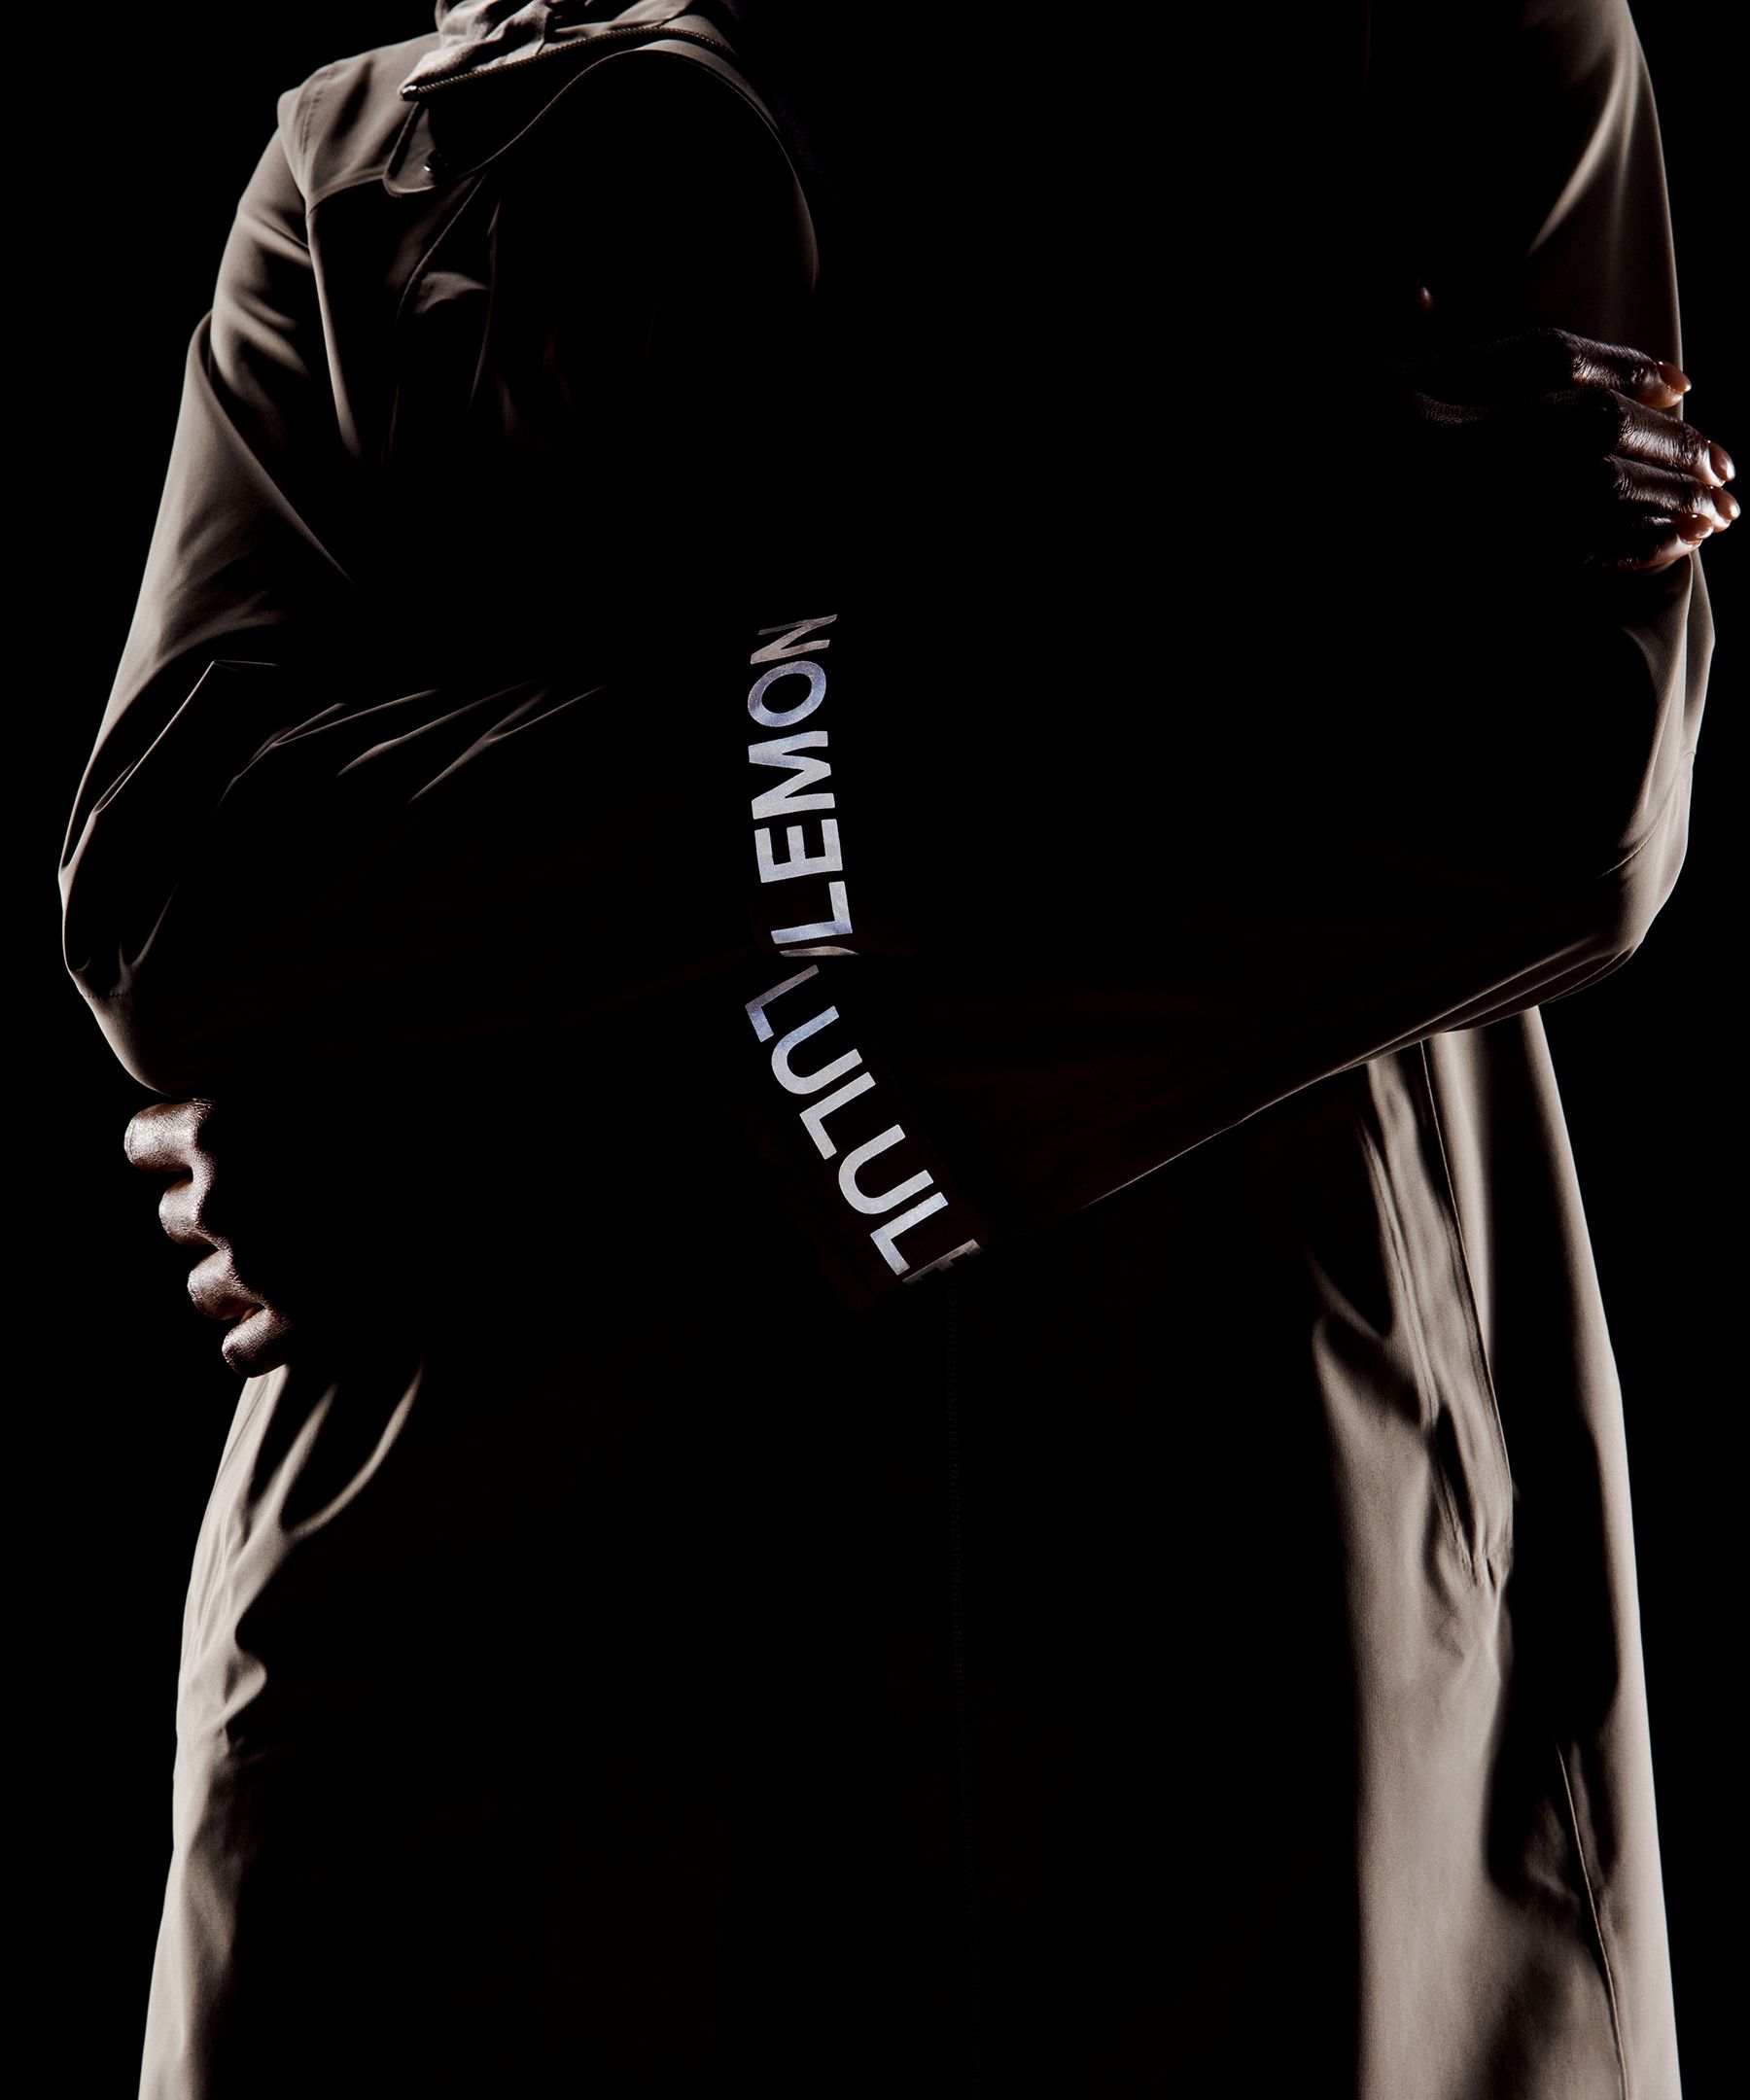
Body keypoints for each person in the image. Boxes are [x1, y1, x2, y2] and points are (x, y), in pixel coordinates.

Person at [61, 2, 1728, 2092]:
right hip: (491, 1697)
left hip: (1250, 1656)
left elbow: (1554, 794)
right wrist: (1202, 568)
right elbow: (181, 890)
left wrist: (553, 1172)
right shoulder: (374, 151)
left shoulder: (1451, 42)